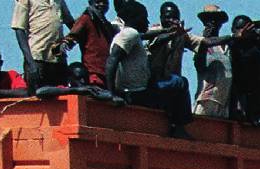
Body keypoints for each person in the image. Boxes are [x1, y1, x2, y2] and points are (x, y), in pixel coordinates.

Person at [105, 2, 190, 134]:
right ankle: (179, 126)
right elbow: (112, 61)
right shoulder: (130, 33)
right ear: (136, 18)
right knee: (180, 82)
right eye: (145, 18)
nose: (148, 21)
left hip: (137, 91)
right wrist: (111, 94)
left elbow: (146, 35)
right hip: (137, 94)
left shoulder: (131, 34)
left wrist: (168, 31)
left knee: (166, 85)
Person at [10, 0, 71, 86]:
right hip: (37, 58)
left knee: (62, 93)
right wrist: (31, 63)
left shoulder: (58, 1)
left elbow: (70, 22)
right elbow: (19, 29)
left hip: (58, 58)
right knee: (38, 95)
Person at [186, 4, 232, 116]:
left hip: (223, 101)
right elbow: (199, 64)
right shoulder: (200, 42)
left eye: (216, 20)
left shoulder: (227, 47)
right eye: (208, 20)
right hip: (206, 99)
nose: (212, 23)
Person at [65, 0, 116, 88]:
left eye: (105, 2)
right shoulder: (86, 18)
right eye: (98, 2)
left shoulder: (107, 25)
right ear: (91, 3)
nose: (102, 4)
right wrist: (65, 44)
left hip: (108, 73)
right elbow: (73, 36)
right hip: (93, 72)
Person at [149, 1, 188, 83]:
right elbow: (158, 40)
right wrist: (173, 34)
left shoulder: (181, 34)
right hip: (152, 81)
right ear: (161, 17)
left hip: (171, 82)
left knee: (183, 82)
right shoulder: (155, 30)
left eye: (175, 18)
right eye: (168, 17)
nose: (171, 20)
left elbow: (200, 41)